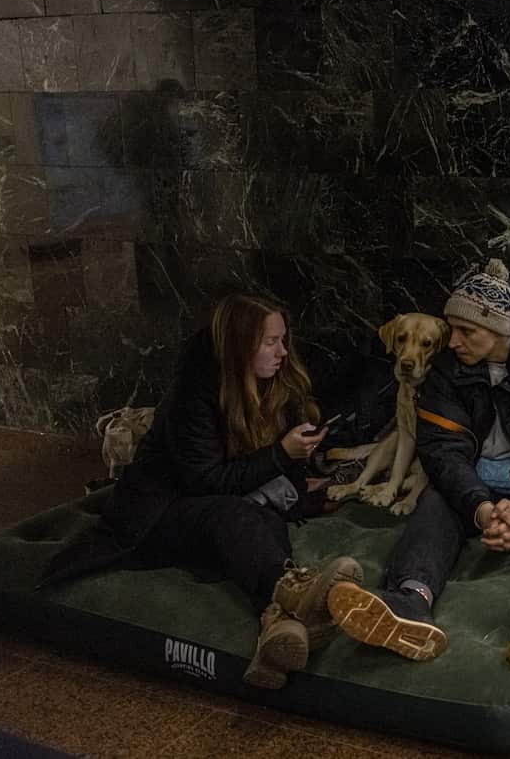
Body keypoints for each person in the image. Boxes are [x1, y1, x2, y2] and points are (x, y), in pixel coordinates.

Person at [46, 294, 364, 690]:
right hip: (154, 515)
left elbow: (254, 473)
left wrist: (305, 476)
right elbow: (207, 482)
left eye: (284, 340)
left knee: (264, 519)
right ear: (239, 346)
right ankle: (294, 594)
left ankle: (279, 625)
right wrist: (281, 453)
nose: (283, 351)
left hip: (214, 506)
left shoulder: (268, 382)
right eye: (271, 342)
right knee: (235, 515)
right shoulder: (193, 393)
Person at [326, 259, 510, 672]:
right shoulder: (446, 368)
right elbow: (441, 451)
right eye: (452, 329)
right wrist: (480, 508)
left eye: (466, 332)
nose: (453, 341)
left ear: (499, 330)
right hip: (476, 479)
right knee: (435, 500)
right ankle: (409, 601)